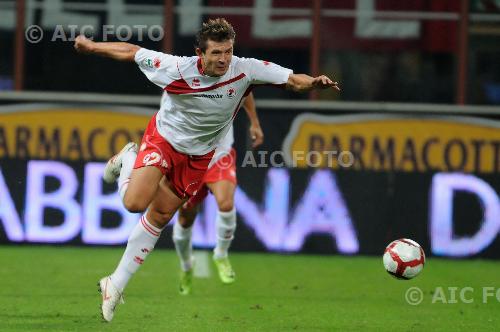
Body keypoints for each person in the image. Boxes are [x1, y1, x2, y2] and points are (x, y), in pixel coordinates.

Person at [74, 18, 340, 322]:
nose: (223, 59)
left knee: (160, 217)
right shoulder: (176, 68)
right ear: (200, 53)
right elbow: (131, 51)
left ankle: (116, 283)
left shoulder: (245, 69)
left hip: (199, 157)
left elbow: (292, 80)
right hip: (164, 141)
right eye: (216, 53)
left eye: (227, 51)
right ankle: (129, 158)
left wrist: (314, 83)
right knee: (134, 203)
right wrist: (92, 46)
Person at [173, 92, 263, 295]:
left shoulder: (231, 80)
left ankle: (221, 255)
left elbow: (246, 91)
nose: (221, 58)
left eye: (224, 56)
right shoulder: (186, 80)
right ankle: (186, 265)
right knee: (185, 217)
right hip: (191, 161)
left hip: (220, 158)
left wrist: (254, 122)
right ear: (201, 57)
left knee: (225, 204)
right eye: (214, 56)